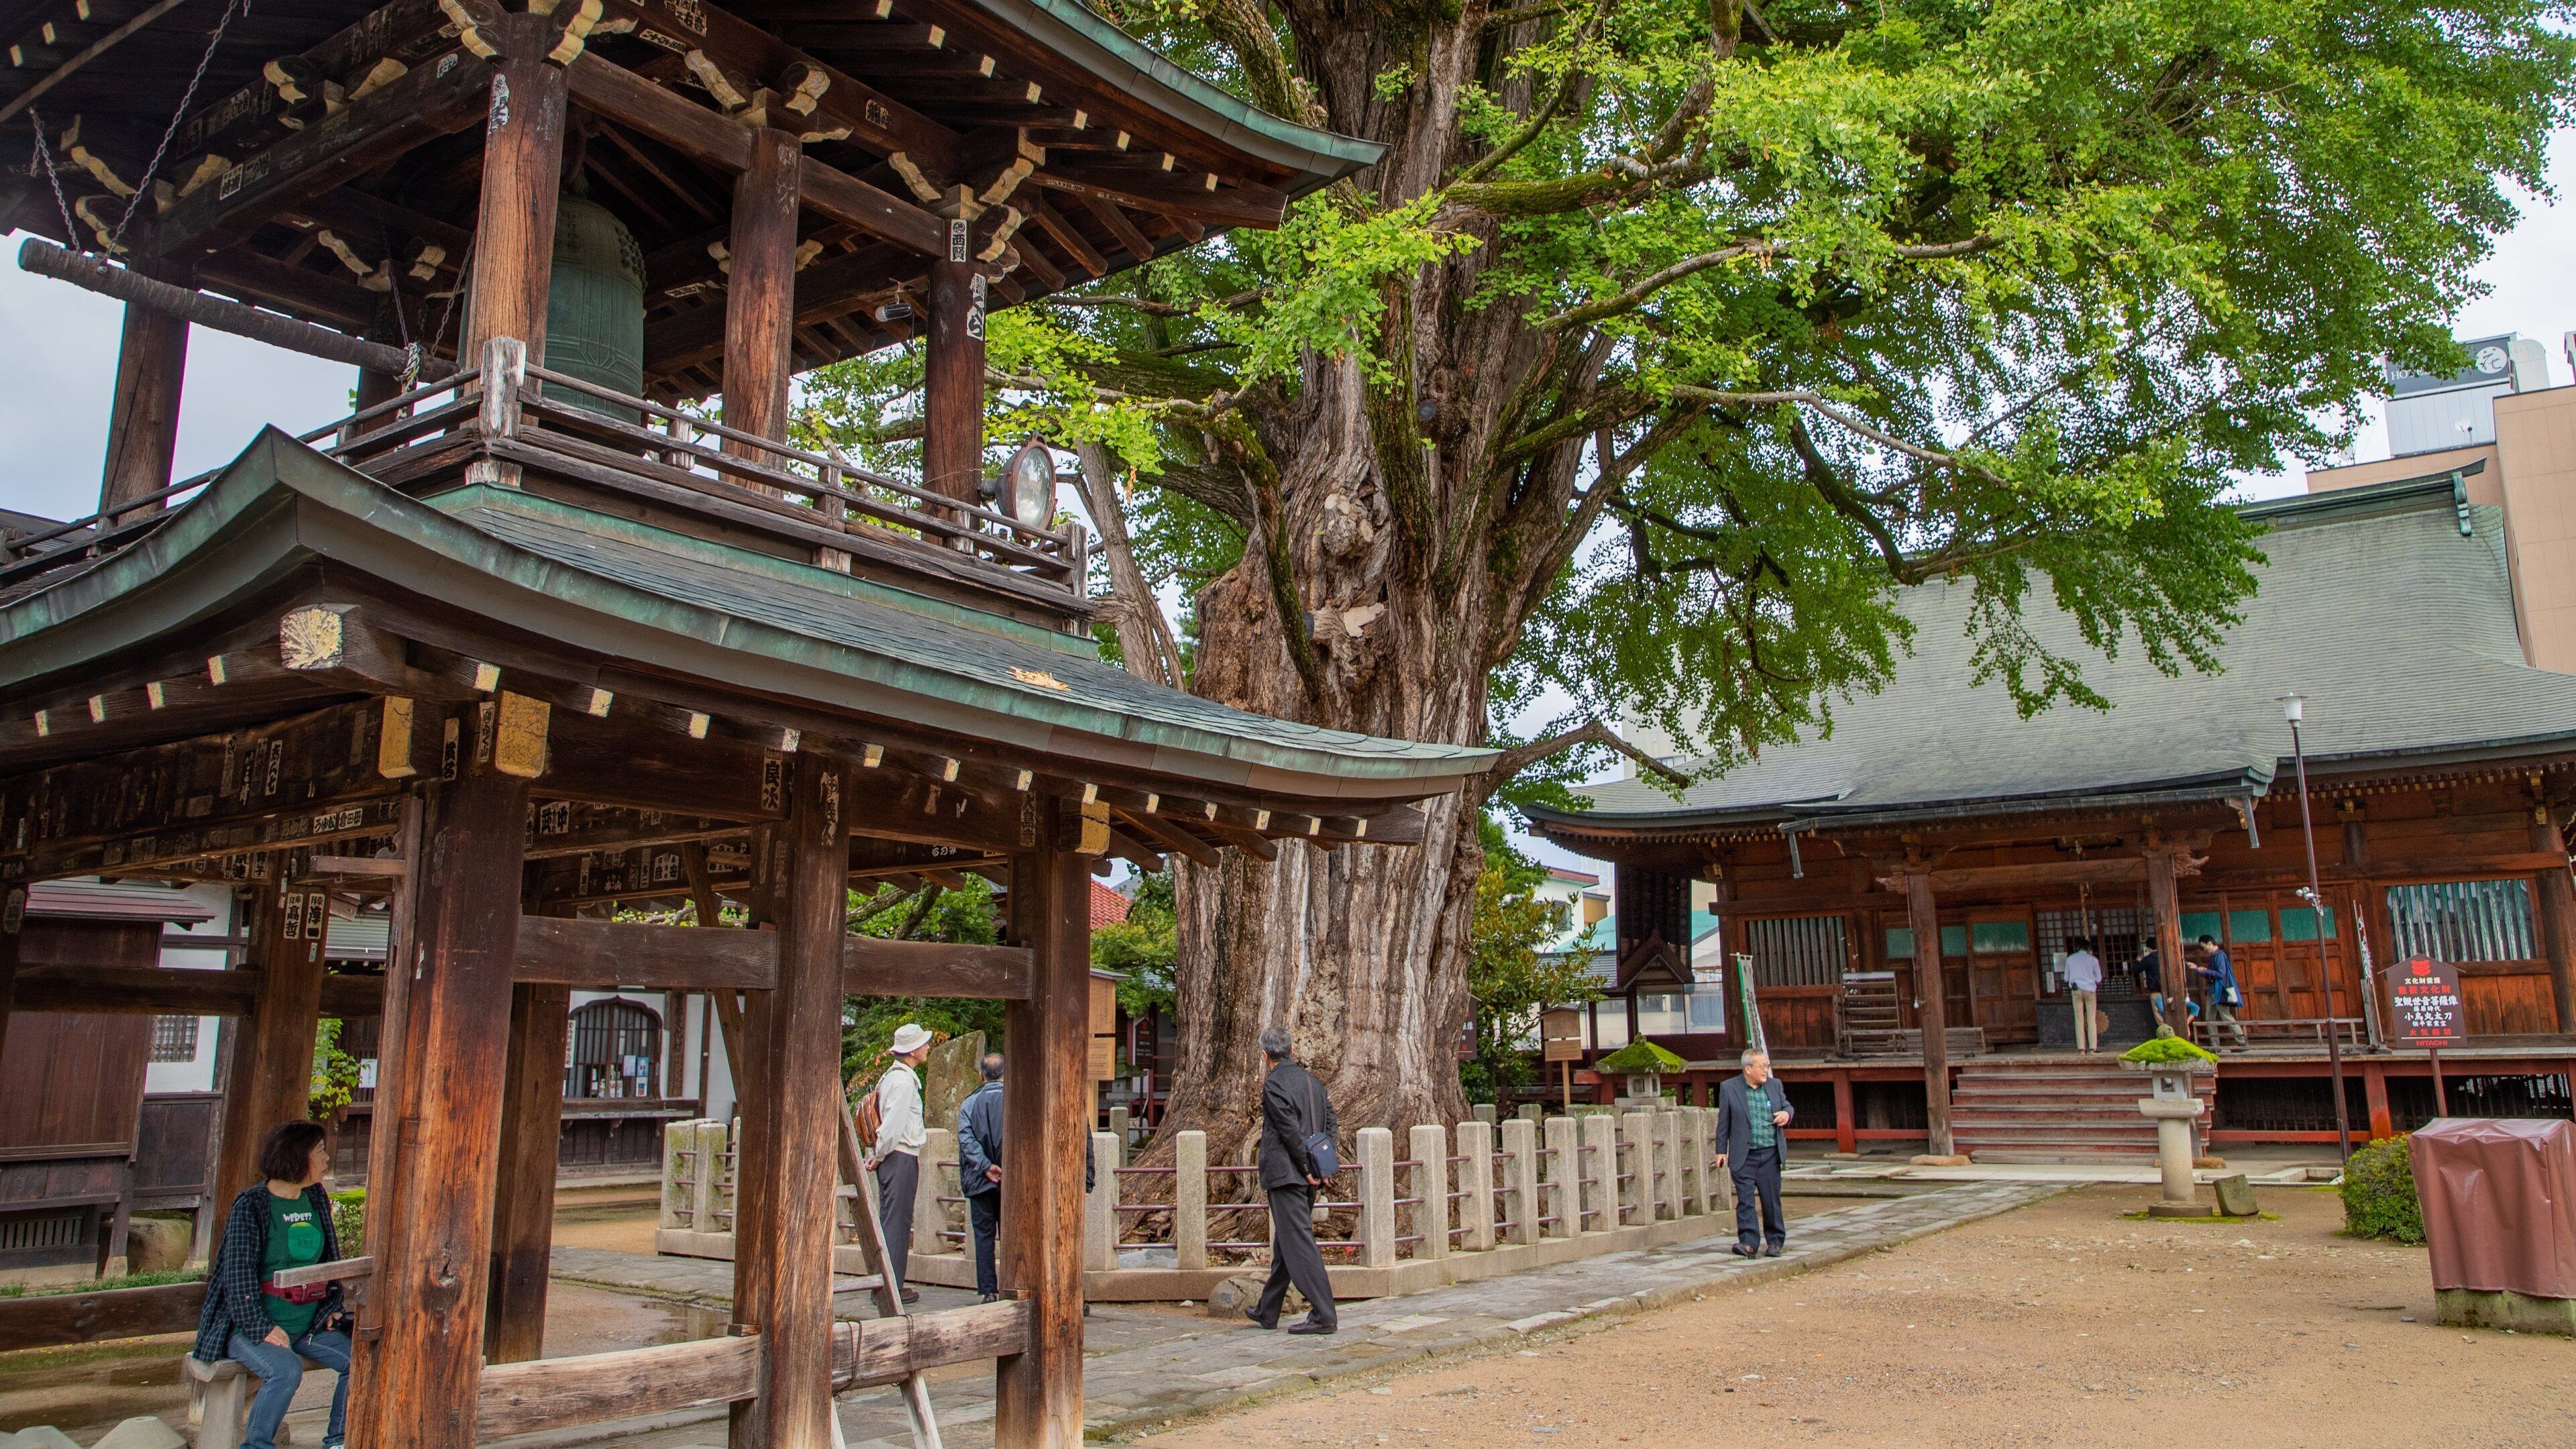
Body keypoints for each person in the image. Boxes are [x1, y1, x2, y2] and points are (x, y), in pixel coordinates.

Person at [194, 1121, 351, 1449]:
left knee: (360, 1360)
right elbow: (237, 1276)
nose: (326, 1158)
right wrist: (259, 1326)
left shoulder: (316, 1198)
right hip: (250, 1328)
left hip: (308, 1323)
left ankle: (338, 1441)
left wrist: (332, 1308)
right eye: (319, 1151)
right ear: (298, 1157)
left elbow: (329, 1262)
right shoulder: (251, 1205)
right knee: (286, 1371)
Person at [1248, 1025, 1337, 1334]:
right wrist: (1321, 1164)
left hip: (1287, 1175)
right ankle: (1267, 1310)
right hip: (1308, 1173)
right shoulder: (1314, 1083)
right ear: (1292, 1051)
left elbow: (1288, 1131)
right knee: (1287, 1241)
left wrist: (1305, 1166)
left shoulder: (1274, 1085)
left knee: (1298, 1242)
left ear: (1264, 1055)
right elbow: (1329, 1122)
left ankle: (1325, 1314)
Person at [865, 1022, 933, 1303]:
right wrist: (879, 1154)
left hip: (894, 1157)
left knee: (892, 1219)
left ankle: (887, 1284)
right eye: (923, 1044)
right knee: (897, 1222)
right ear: (913, 1050)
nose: (927, 1047)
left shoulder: (892, 1078)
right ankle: (891, 1288)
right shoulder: (904, 1081)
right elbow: (892, 1127)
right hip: (900, 1156)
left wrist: (878, 1154)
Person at [1713, 1049, 1793, 1258]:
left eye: (1767, 1065)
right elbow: (1724, 1122)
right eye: (1762, 1066)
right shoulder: (1729, 1088)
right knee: (1745, 1200)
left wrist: (1786, 1114)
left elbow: (1787, 1107)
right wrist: (1721, 1150)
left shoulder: (1775, 1086)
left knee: (1771, 1201)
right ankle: (1748, 1243)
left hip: (1769, 1154)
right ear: (1748, 1069)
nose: (1766, 1069)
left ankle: (1775, 1242)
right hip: (1744, 1155)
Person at [955, 1052, 1006, 1303]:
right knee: (1012, 1234)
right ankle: (1012, 1282)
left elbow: (966, 1140)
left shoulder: (969, 1104)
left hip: (979, 1180)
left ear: (981, 1075)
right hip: (1011, 1179)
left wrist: (986, 1166)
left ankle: (988, 1290)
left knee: (984, 1236)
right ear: (1005, 1073)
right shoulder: (1016, 1100)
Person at [2192, 936, 2248, 1049]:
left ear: (2209, 943)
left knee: (2226, 1016)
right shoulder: (2215, 956)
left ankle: (2242, 1041)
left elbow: (2221, 974)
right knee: (2209, 1018)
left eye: (2204, 947)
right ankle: (2215, 1045)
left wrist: (2205, 970)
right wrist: (2197, 969)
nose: (2204, 950)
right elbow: (2211, 974)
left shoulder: (2219, 956)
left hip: (2219, 991)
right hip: (2213, 991)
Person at [2061, 935, 2106, 1053]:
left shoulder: (2070, 959)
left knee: (2079, 1019)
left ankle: (2081, 1049)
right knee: (2091, 1019)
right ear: (2088, 948)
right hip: (2090, 990)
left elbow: (2066, 978)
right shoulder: (2093, 960)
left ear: (2077, 947)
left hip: (2076, 989)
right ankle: (2093, 1048)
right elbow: (2099, 979)